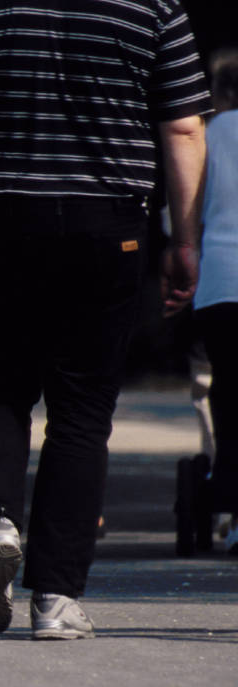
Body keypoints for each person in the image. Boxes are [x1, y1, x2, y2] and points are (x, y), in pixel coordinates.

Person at [0, 0, 211, 639]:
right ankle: (56, 598)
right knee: (82, 411)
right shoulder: (154, 8)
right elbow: (183, 129)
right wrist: (184, 239)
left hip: (0, 220)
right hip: (109, 225)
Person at [192, 47, 238, 553]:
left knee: (225, 389)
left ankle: (227, 490)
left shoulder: (206, 136)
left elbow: (180, 213)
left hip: (222, 282)